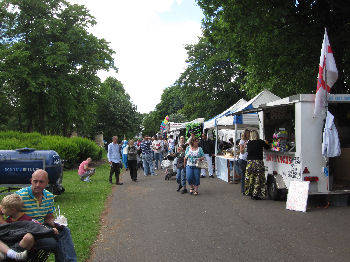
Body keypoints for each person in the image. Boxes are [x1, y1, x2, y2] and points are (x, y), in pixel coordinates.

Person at [14, 169, 77, 261]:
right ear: (31, 180)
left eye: (41, 182)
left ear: (47, 182)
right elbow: (6, 213)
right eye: (35, 181)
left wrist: (56, 223)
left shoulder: (49, 196)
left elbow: (49, 218)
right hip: (28, 231)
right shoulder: (20, 196)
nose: (37, 185)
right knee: (54, 244)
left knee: (65, 230)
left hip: (42, 226)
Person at [244, 130, 270, 200]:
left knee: (250, 178)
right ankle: (255, 194)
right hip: (258, 162)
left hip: (249, 163)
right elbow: (268, 147)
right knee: (258, 178)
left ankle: (250, 192)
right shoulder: (260, 142)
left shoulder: (248, 143)